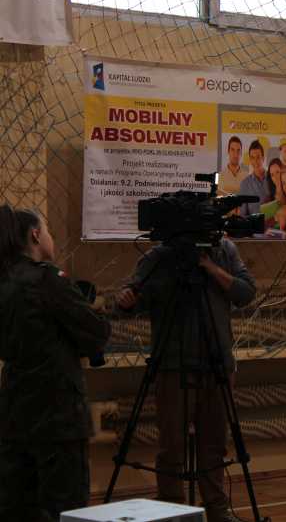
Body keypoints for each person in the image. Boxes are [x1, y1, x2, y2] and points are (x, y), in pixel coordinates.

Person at [116, 238, 256, 522]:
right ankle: (171, 510)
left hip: (217, 363)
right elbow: (127, 301)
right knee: (172, 445)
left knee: (215, 444)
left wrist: (211, 268)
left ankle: (217, 509)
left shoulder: (223, 250)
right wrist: (126, 299)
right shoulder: (160, 256)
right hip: (173, 364)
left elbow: (246, 292)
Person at [0, 205, 110, 522]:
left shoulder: (4, 282)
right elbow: (96, 332)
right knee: (65, 509)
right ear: (35, 235)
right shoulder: (48, 280)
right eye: (47, 230)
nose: (51, 237)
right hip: (58, 415)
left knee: (17, 507)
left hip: (13, 412)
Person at [238, 139, 272, 216]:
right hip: (253, 223)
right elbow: (243, 215)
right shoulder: (245, 184)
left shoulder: (272, 178)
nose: (255, 161)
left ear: (263, 158)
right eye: (252, 158)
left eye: (258, 157)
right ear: (250, 160)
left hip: (272, 223)